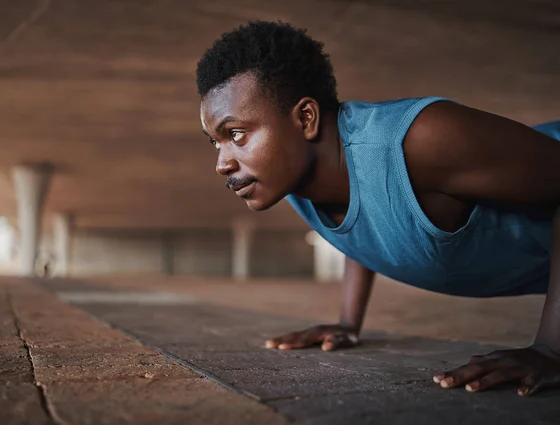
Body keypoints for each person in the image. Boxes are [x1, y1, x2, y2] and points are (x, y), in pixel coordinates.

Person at [196, 21, 560, 396]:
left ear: (305, 118)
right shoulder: (293, 179)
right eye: (215, 142)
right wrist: (348, 323)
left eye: (236, 134)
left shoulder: (420, 139)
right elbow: (367, 217)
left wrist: (552, 348)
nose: (223, 163)